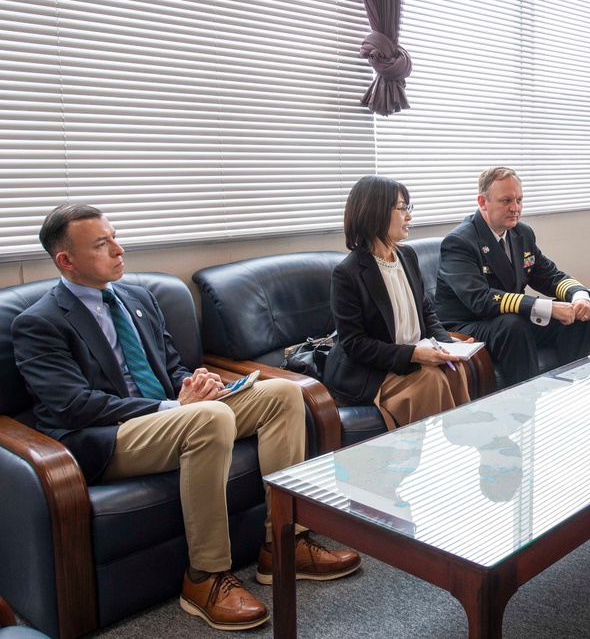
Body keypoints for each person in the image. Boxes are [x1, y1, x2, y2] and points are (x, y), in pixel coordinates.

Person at [12, 204, 361, 632]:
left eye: (115, 237)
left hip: (174, 415)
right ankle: (205, 577)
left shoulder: (138, 298)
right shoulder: (39, 322)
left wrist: (193, 382)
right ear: (66, 260)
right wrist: (177, 407)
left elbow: (171, 366)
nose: (119, 250)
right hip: (107, 437)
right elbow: (73, 405)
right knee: (209, 418)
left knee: (284, 393)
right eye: (103, 245)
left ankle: (283, 543)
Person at [323, 175, 471, 429]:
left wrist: (446, 346)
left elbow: (425, 309)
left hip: (414, 355)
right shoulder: (347, 273)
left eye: (408, 208)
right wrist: (412, 354)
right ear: (376, 212)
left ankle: (463, 448)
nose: (409, 216)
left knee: (455, 370)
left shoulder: (407, 255)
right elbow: (355, 345)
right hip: (372, 370)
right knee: (430, 380)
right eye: (402, 208)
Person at [434, 167, 590, 385]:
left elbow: (549, 275)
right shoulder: (460, 242)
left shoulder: (521, 233)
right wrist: (547, 307)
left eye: (519, 200)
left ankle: (578, 392)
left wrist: (579, 296)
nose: (515, 208)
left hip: (508, 320)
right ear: (483, 202)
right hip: (466, 326)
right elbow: (480, 299)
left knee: (577, 318)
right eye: (506, 201)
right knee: (513, 326)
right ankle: (523, 406)